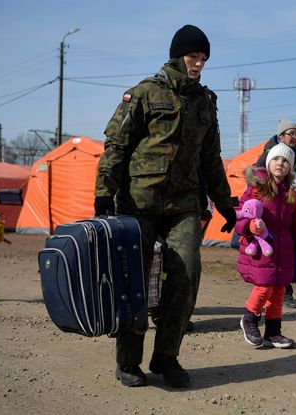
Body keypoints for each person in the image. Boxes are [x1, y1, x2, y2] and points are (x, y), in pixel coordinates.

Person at [94, 24, 236, 388]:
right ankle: (128, 361)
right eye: (193, 57)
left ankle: (166, 357)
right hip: (138, 203)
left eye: (204, 60)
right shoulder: (144, 93)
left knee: (187, 273)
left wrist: (225, 203)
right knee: (134, 281)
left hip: (184, 204)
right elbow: (117, 147)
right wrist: (103, 193)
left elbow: (211, 158)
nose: (199, 65)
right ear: (178, 56)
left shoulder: (205, 101)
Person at [236, 143, 296, 348]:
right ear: (268, 162)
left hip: (284, 252)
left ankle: (273, 332)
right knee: (264, 288)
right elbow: (240, 214)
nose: (280, 163)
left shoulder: (291, 195)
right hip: (261, 250)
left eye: (285, 161)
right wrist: (249, 225)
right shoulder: (256, 188)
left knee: (279, 291)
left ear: (290, 168)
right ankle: (249, 318)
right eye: (276, 159)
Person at [254, 119, 296, 308]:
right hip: (272, 211)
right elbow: (256, 178)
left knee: (286, 251)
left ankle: (280, 291)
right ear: (281, 135)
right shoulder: (270, 155)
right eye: (291, 133)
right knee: (277, 253)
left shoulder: (294, 156)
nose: (294, 137)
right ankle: (280, 295)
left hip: (288, 209)